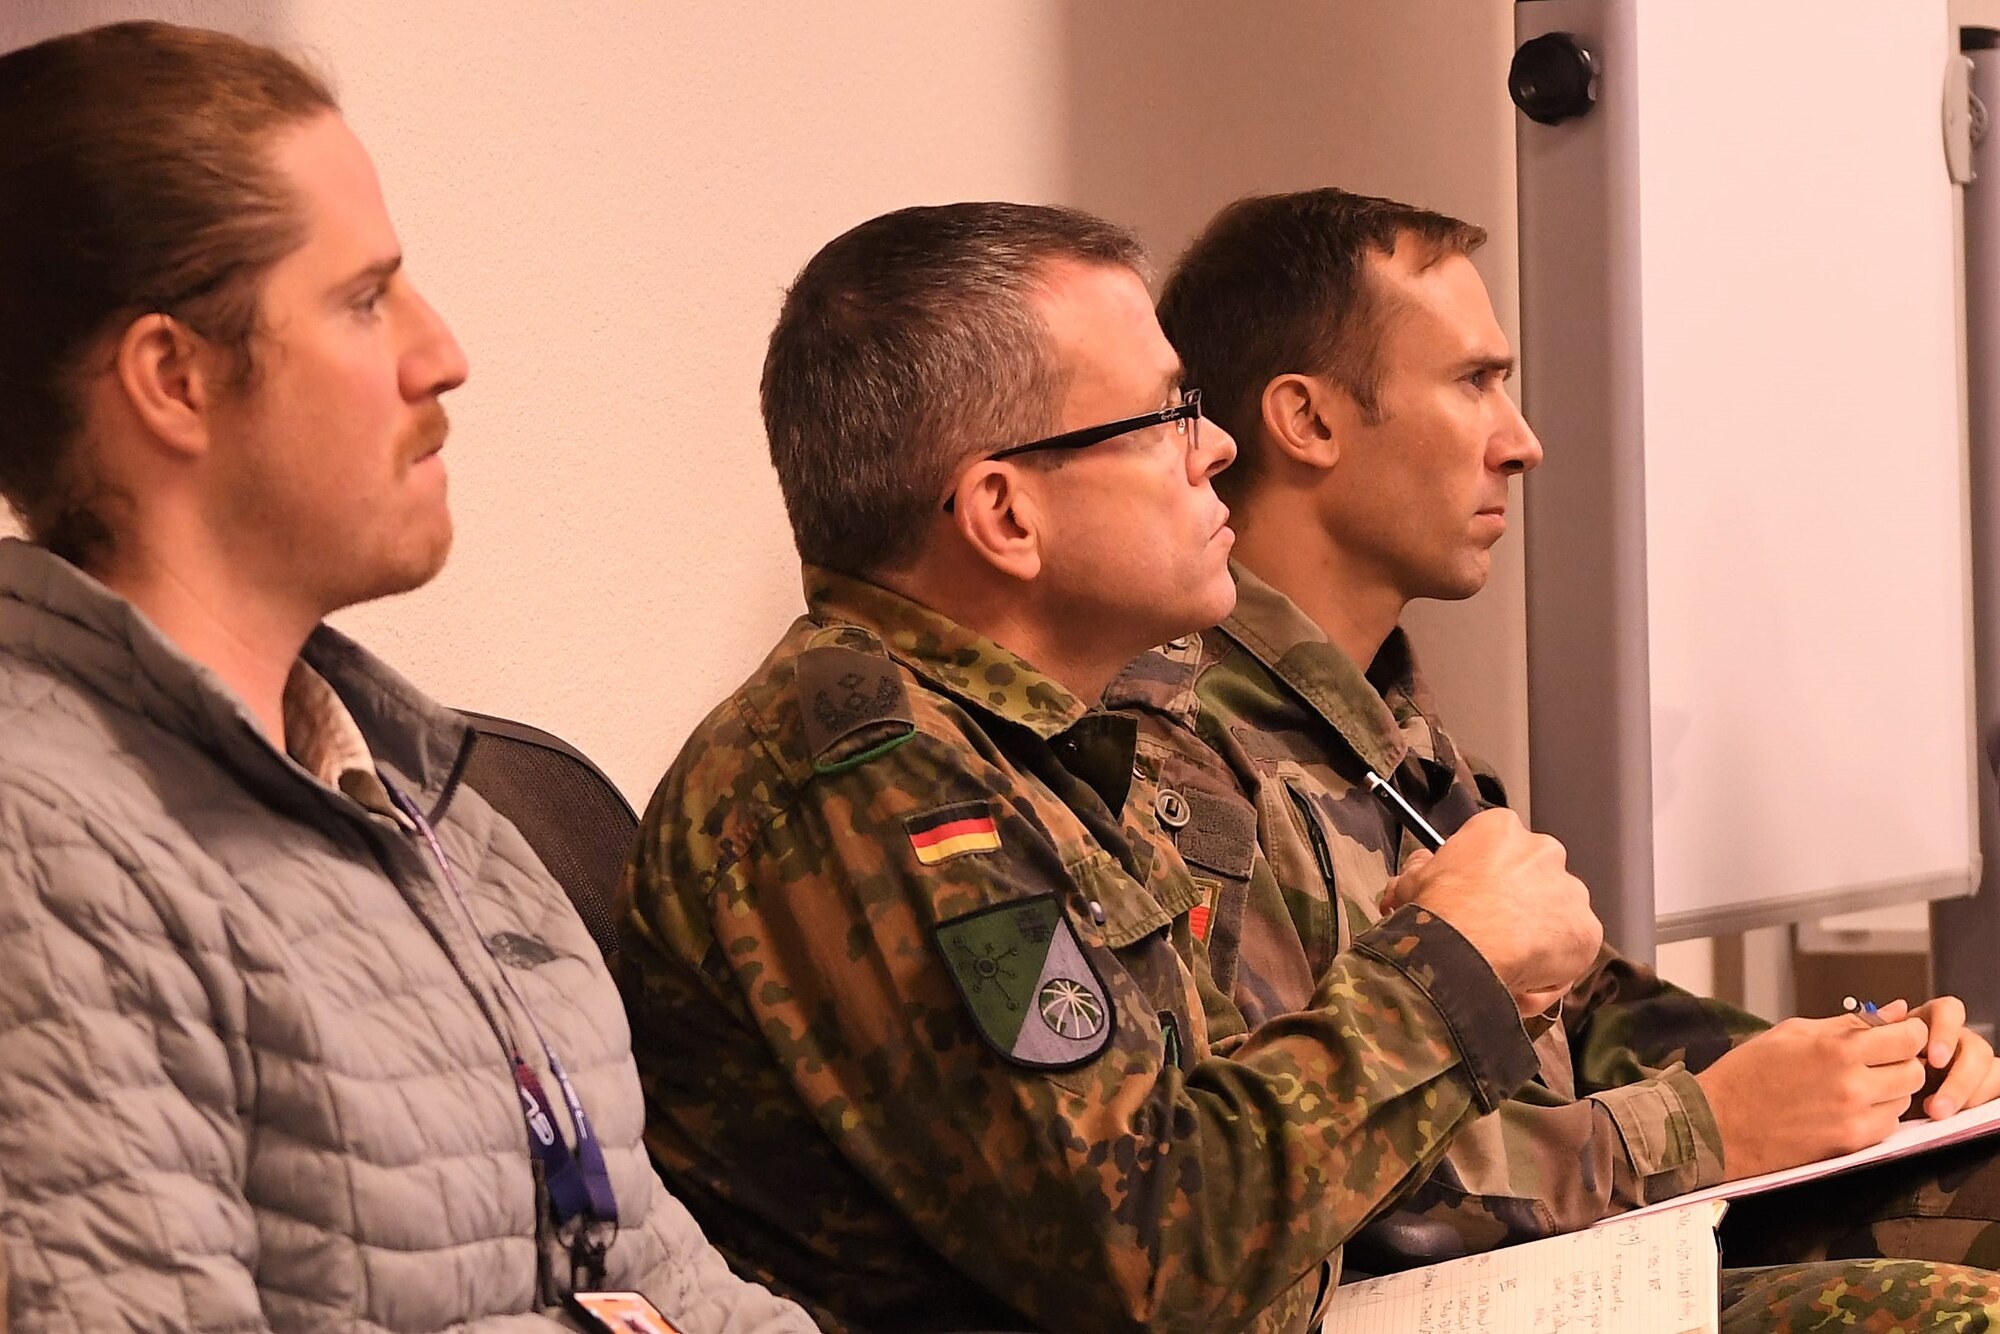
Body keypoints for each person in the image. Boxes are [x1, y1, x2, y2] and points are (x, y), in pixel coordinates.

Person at [615, 200, 1608, 1334]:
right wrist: (1449, 972)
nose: (1218, 447)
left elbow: (1216, 1135)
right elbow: (1152, 1246)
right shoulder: (868, 786)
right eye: (1167, 415)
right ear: (1003, 511)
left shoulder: (1038, 754)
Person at [0, 22, 812, 1332]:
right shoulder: (45, 849)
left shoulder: (444, 816)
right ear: (174, 377)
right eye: (365, 298)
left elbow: (670, 1275)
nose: (441, 354)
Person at [1127, 183, 2000, 1327]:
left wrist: (1860, 1067)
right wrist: (1707, 1124)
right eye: (1473, 382)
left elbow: (1588, 1016)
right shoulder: (1178, 754)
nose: (1520, 441)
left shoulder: (1394, 733)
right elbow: (1310, 1177)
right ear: (1308, 419)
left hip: (1572, 1234)